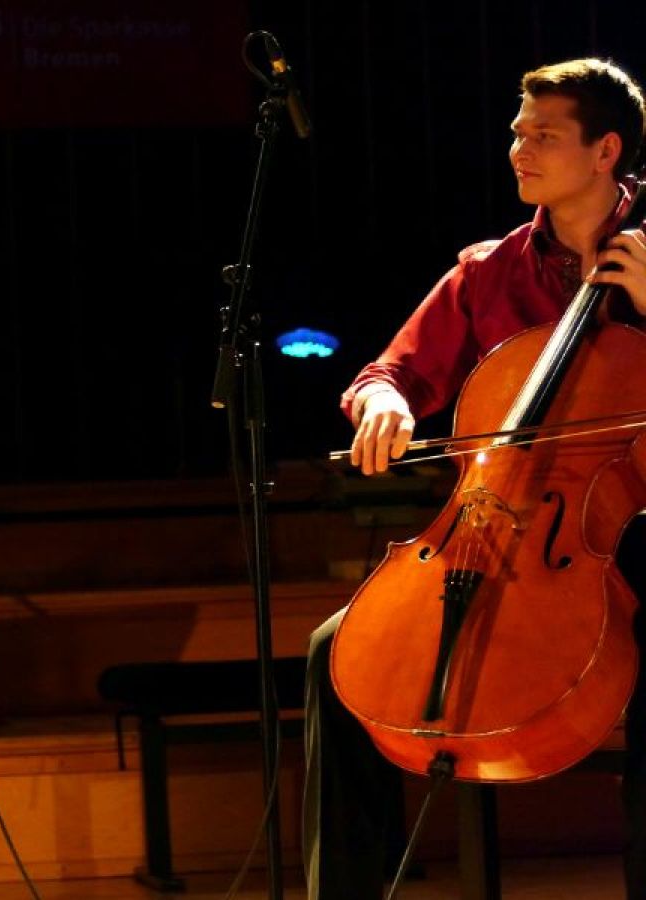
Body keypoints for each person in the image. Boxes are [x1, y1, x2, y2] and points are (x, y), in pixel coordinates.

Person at [303, 58, 646, 898]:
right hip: (500, 530)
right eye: (515, 133)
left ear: (606, 151)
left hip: (631, 534)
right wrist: (383, 403)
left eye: (542, 135)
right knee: (332, 654)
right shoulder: (488, 271)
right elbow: (389, 372)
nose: (518, 149)